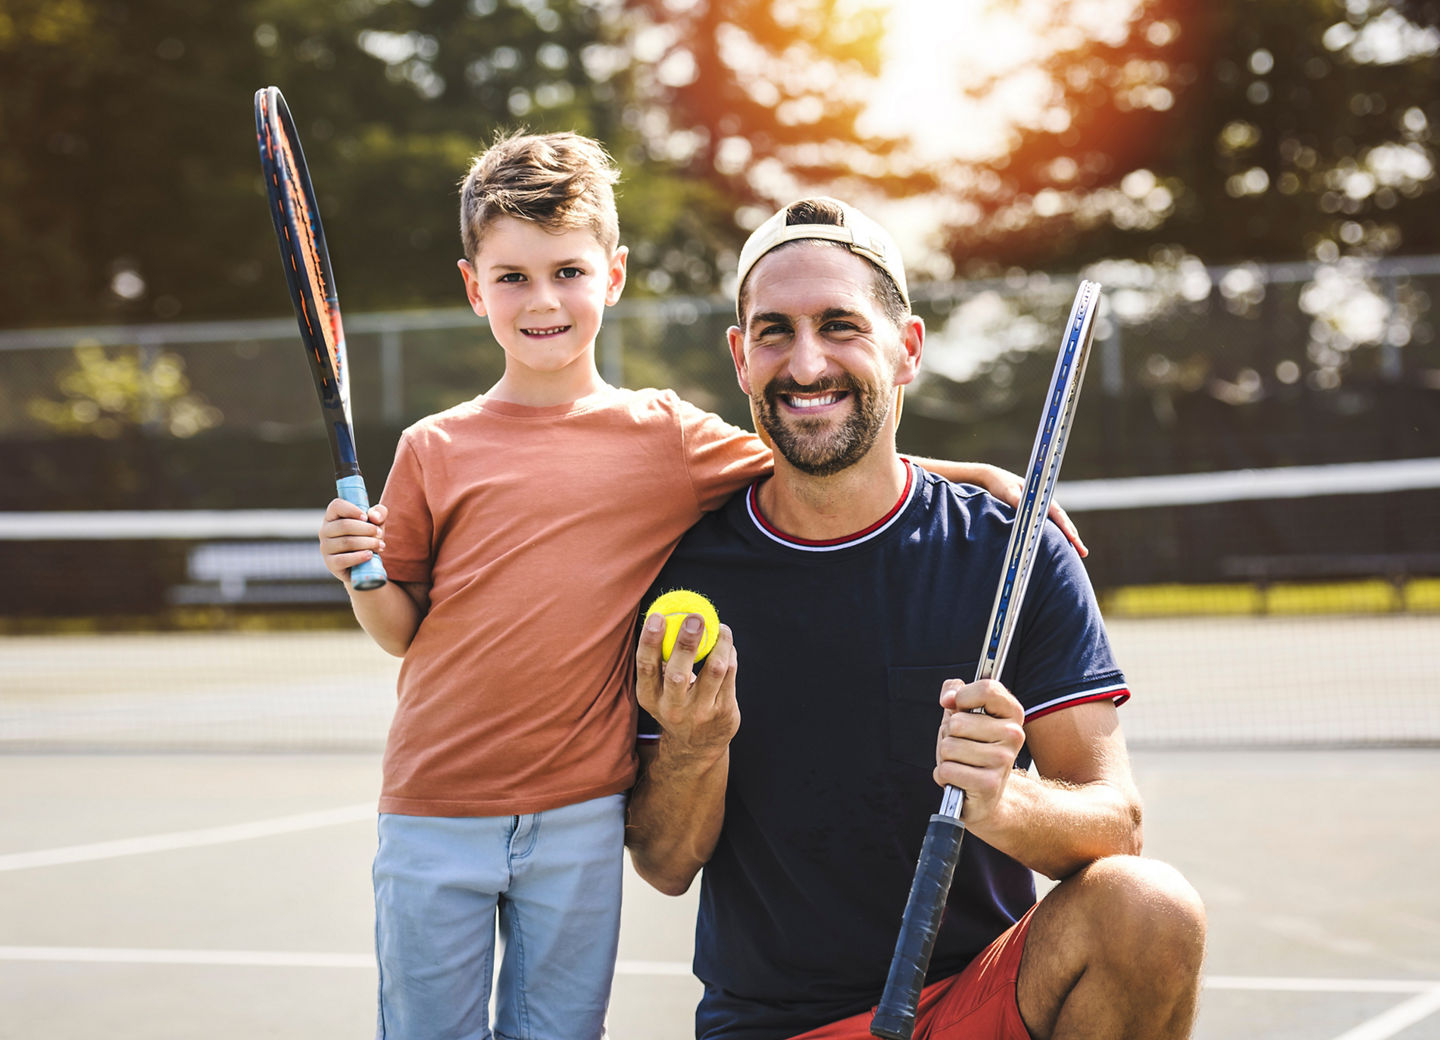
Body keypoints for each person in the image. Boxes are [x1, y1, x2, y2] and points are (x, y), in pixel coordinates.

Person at [317, 134, 1074, 1040]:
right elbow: (404, 629)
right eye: (512, 277)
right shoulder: (433, 448)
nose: (544, 299)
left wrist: (975, 475)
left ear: (614, 275)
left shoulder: (666, 437)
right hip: (432, 806)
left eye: (567, 270)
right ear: (475, 288)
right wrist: (360, 572)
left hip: (580, 817)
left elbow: (821, 445)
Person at [627, 197, 1208, 1040]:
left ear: (907, 349)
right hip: (775, 1026)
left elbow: (1115, 824)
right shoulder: (684, 572)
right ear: (740, 359)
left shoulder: (1012, 554)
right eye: (774, 332)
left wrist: (1002, 801)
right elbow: (665, 863)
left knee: (1148, 908)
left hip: (980, 996)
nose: (807, 361)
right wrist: (692, 744)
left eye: (840, 325)